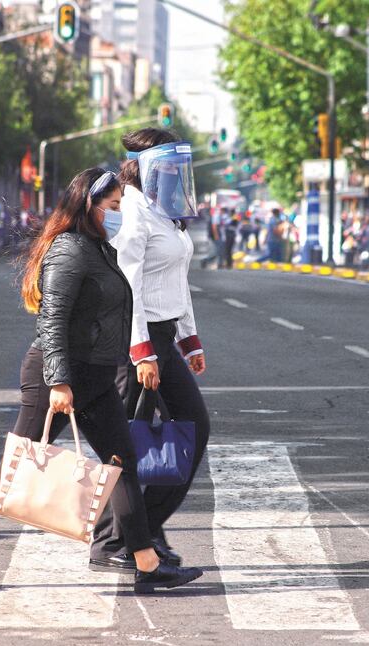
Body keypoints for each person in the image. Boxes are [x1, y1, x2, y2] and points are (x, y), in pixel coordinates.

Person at [0, 167, 203, 595]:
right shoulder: (69, 250)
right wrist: (60, 382)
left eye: (121, 205)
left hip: (97, 376)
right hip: (58, 376)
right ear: (89, 205)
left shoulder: (99, 248)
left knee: (122, 465)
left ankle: (146, 563)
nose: (120, 213)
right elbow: (52, 320)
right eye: (114, 206)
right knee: (22, 460)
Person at [89, 128, 210, 574]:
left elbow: (175, 279)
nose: (179, 175)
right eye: (172, 166)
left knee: (192, 427)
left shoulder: (164, 212)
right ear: (146, 167)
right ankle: (110, 542)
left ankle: (147, 528)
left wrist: (188, 339)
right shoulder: (133, 212)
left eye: (182, 167)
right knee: (125, 444)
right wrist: (142, 352)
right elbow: (129, 288)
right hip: (133, 344)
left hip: (162, 339)